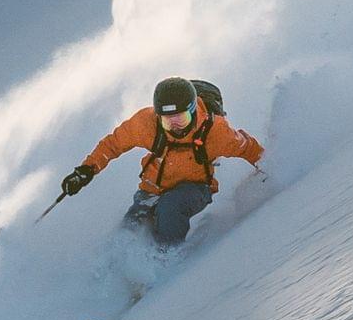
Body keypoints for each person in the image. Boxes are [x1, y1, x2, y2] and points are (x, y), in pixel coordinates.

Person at [61, 77, 264, 248]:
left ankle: (166, 259)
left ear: (193, 111)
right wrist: (86, 170)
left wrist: (270, 165)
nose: (175, 127)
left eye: (181, 119)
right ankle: (118, 276)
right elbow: (113, 144)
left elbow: (247, 148)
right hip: (152, 189)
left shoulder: (215, 131)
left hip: (195, 189)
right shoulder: (146, 123)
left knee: (170, 208)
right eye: (168, 121)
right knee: (130, 229)